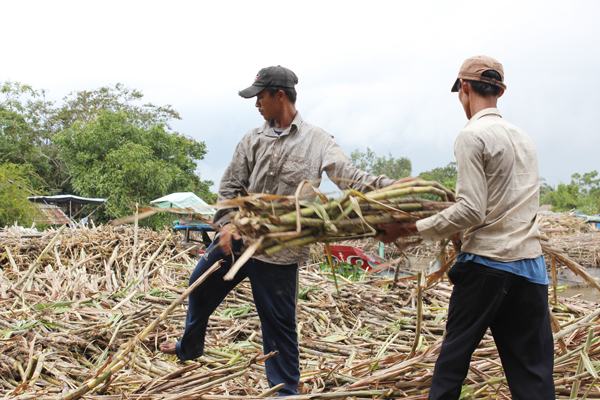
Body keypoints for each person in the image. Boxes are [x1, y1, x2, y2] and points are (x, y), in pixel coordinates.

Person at [160, 65, 395, 396]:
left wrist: (393, 189)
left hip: (279, 251)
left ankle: (285, 391)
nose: (256, 104)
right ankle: (189, 347)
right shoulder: (252, 140)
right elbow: (230, 186)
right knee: (198, 288)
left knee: (278, 326)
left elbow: (349, 177)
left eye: (260, 97)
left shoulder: (318, 142)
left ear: (279, 95)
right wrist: (226, 224)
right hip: (238, 239)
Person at [378, 55, 555, 399]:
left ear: (464, 88)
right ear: (500, 91)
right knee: (533, 374)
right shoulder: (525, 140)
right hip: (531, 268)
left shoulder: (472, 135)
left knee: (452, 364)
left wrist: (412, 228)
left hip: (488, 266)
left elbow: (471, 210)